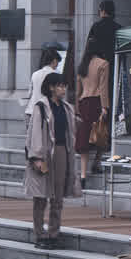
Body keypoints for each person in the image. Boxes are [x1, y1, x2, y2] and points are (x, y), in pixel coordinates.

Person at [23, 70, 80, 248]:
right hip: (45, 154)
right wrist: (37, 157)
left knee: (58, 196)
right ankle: (40, 234)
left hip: (62, 152)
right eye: (60, 86)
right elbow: (35, 134)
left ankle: (54, 233)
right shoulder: (41, 106)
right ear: (51, 88)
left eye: (64, 85)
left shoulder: (67, 107)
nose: (64, 89)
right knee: (41, 196)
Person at [77, 1, 117, 173]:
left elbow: (79, 87)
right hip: (112, 73)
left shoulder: (83, 65)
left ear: (101, 11)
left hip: (85, 99)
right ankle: (98, 161)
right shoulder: (118, 28)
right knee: (103, 126)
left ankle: (85, 171)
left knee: (87, 131)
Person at [23, 44, 65, 118]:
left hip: (31, 110)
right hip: (46, 111)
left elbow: (29, 93)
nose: (57, 65)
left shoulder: (35, 74)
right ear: (54, 60)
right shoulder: (56, 74)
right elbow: (58, 94)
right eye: (58, 62)